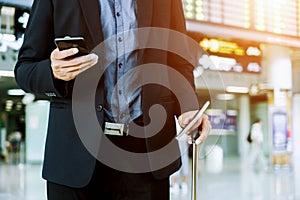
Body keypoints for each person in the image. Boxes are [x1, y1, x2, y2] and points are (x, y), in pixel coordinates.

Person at [14, 0, 211, 199]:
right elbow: (25, 69)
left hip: (146, 156)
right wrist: (53, 72)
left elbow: (178, 61)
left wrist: (188, 107)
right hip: (75, 156)